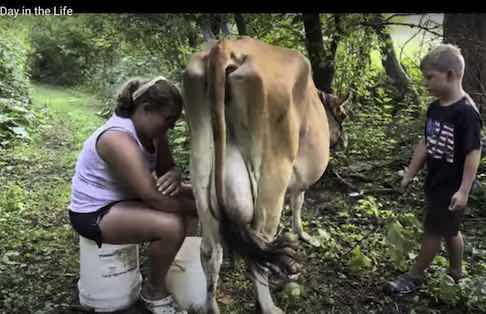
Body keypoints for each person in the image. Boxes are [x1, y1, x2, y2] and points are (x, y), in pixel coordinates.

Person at [68, 76, 198, 314]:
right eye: (168, 120)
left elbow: (167, 170)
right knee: (172, 225)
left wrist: (176, 174)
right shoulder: (117, 139)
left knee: (195, 197)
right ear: (146, 109)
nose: (170, 127)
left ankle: (172, 269)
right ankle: (153, 294)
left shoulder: (154, 133)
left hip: (125, 200)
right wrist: (206, 209)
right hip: (93, 212)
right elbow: (153, 197)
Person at [384, 44, 482, 296]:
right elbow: (426, 142)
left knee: (434, 230)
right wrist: (409, 173)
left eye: (430, 77)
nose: (425, 83)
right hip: (435, 180)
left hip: (452, 185)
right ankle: (457, 272)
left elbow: (473, 152)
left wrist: (463, 190)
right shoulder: (435, 107)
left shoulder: (466, 112)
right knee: (450, 230)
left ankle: (414, 275)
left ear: (450, 74)